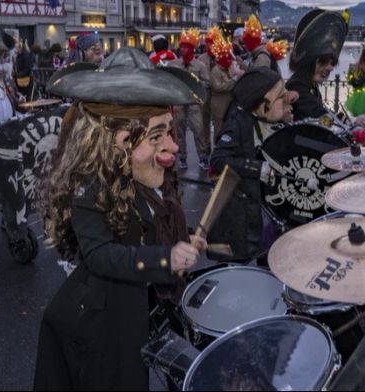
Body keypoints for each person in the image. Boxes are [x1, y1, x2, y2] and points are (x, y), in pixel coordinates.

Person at [34, 48, 207, 390]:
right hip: (100, 321)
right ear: (119, 140)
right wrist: (164, 258)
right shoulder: (90, 184)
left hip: (139, 308)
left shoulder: (144, 173)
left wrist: (181, 239)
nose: (173, 147)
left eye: (170, 132)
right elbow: (101, 255)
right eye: (157, 136)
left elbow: (149, 226)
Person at [210, 67, 298, 259]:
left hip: (256, 204)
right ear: (261, 103)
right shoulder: (237, 122)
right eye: (280, 97)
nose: (286, 101)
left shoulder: (259, 118)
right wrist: (257, 168)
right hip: (239, 214)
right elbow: (218, 160)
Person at [286, 9, 365, 128]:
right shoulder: (296, 86)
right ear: (309, 62)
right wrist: (351, 121)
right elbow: (321, 114)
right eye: (324, 61)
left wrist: (352, 120)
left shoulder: (310, 85)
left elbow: (324, 114)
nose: (330, 67)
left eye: (333, 63)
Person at [169, 29, 210, 170]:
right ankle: (182, 157)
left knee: (198, 130)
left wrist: (195, 84)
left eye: (186, 47)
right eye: (181, 46)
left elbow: (207, 83)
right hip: (179, 102)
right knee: (179, 130)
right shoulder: (174, 64)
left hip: (194, 103)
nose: (183, 49)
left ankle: (203, 157)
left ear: (192, 49)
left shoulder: (200, 66)